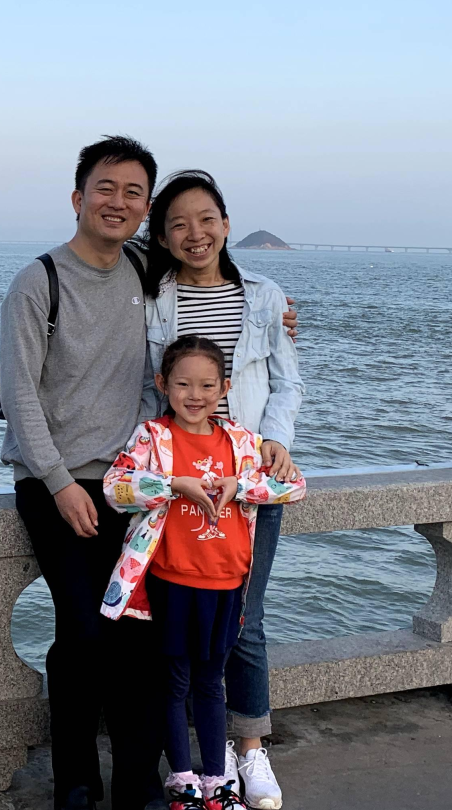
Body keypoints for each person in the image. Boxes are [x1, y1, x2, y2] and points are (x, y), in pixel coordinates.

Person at [0, 139, 299, 810]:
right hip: (62, 483)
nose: (119, 203)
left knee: (142, 638)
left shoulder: (144, 273)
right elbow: (18, 395)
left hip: (141, 487)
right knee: (83, 631)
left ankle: (140, 782)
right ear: (78, 197)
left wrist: (276, 318)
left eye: (134, 193)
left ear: (144, 213)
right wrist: (58, 482)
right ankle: (77, 781)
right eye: (106, 189)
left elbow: (215, 288)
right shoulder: (38, 282)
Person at [133, 171, 303, 809]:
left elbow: (287, 380)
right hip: (176, 487)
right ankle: (201, 754)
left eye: (206, 219)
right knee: (177, 626)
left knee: (244, 620)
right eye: (177, 224)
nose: (195, 233)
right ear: (162, 237)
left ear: (227, 225)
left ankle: (249, 747)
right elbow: (145, 381)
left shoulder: (265, 297)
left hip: (246, 483)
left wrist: (276, 439)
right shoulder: (153, 298)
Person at [100, 336, 306, 810]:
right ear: (162, 384)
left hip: (227, 583)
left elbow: (294, 486)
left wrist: (240, 485)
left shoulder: (242, 441)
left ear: (225, 388)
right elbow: (115, 488)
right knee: (174, 683)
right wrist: (173, 484)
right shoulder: (152, 437)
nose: (195, 395)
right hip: (171, 582)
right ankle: (183, 781)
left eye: (208, 385)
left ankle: (218, 781)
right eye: (183, 384)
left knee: (212, 682)